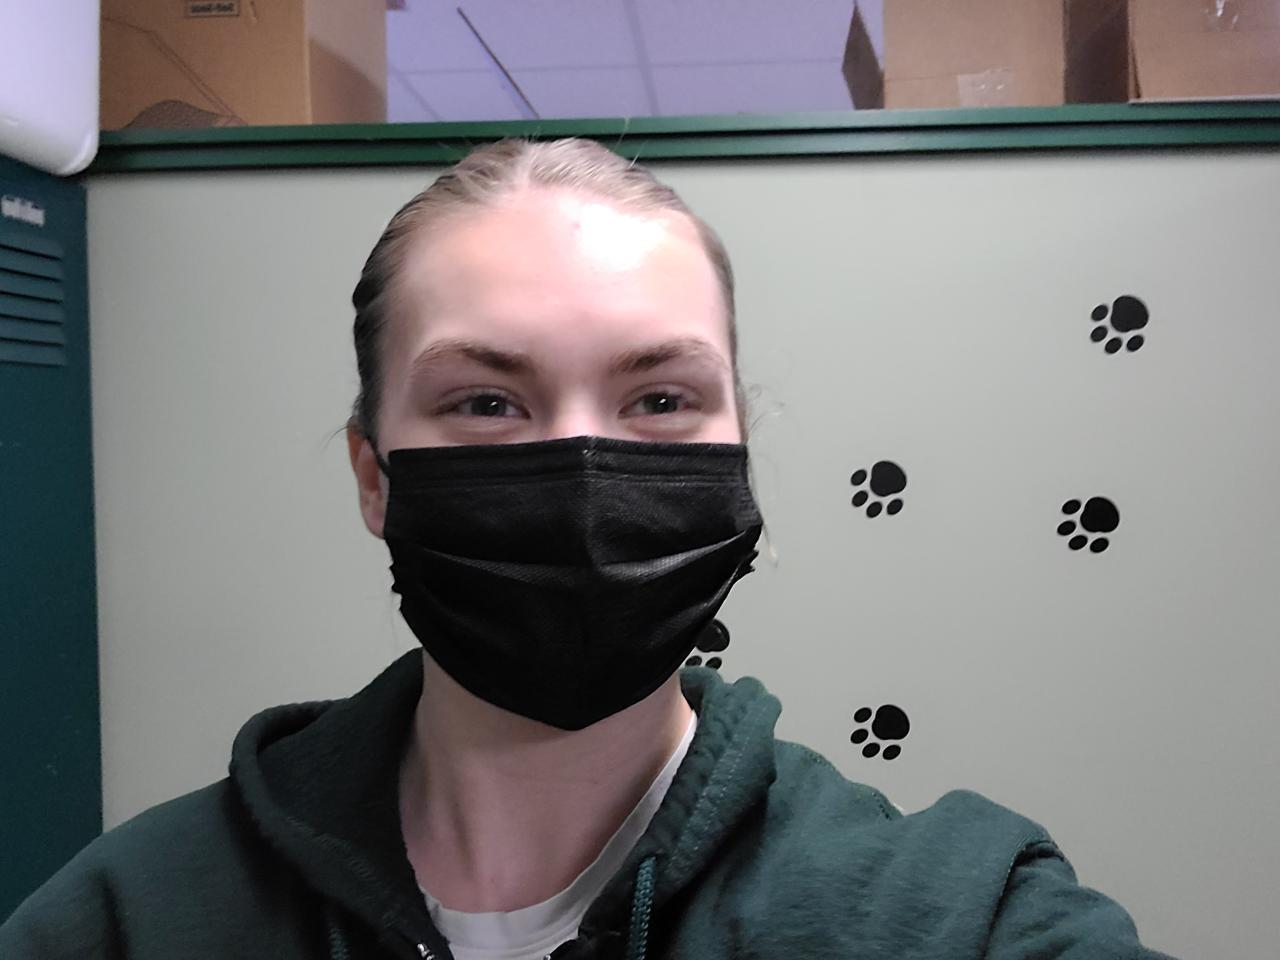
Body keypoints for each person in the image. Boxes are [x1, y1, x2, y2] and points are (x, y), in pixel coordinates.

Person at [0, 138, 1176, 960]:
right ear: (373, 476)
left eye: (659, 400)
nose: (581, 472)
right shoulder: (130, 921)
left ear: (740, 450)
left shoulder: (948, 913)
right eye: (485, 403)